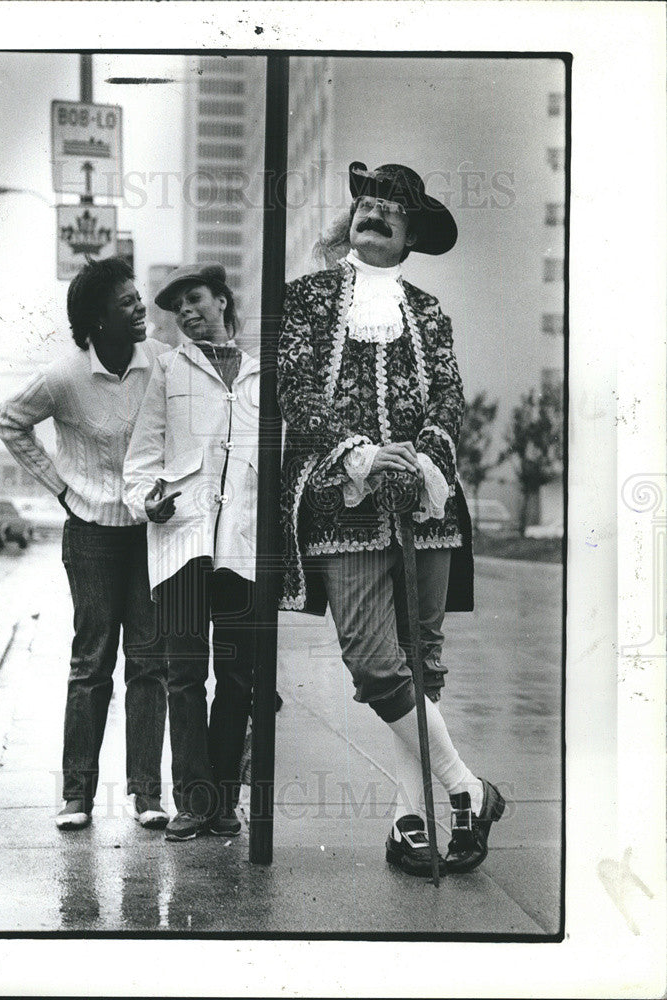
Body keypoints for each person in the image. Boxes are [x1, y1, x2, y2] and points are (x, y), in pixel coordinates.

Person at [277, 162, 505, 876]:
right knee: (377, 665)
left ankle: (410, 819)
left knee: (421, 664)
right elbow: (295, 392)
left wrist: (422, 457)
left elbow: (448, 397)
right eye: (364, 205)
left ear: (409, 235)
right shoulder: (307, 300)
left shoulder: (429, 310)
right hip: (339, 502)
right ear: (350, 222)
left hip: (427, 503)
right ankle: (468, 789)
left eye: (389, 210)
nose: (372, 214)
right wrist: (362, 455)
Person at [0, 256, 170, 831]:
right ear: (96, 320)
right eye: (126, 302)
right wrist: (60, 491)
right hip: (90, 536)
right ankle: (77, 796)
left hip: (151, 533)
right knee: (92, 662)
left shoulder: (162, 365)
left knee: (147, 662)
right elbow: (10, 420)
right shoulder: (65, 375)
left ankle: (147, 796)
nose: (141, 306)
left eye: (138, 297)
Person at [123, 263, 260, 842]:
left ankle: (225, 800)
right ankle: (194, 802)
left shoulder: (259, 375)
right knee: (184, 673)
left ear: (223, 302)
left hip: (242, 546)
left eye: (196, 299)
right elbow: (140, 461)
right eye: (177, 306)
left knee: (235, 676)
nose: (187, 312)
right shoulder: (168, 371)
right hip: (183, 543)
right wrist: (145, 500)